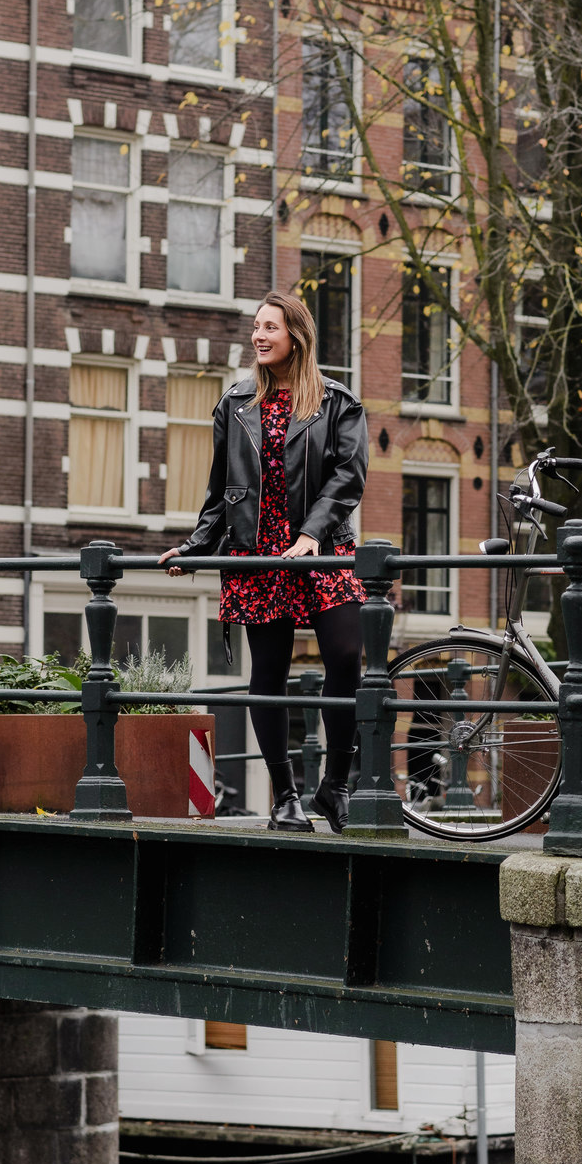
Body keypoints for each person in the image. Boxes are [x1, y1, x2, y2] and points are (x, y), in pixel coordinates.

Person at [159, 292, 368, 834]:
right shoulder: (236, 403)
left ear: (295, 334)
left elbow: (349, 478)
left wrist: (310, 534)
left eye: (270, 327)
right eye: (256, 327)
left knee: (346, 656)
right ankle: (285, 797)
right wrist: (197, 548)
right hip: (256, 552)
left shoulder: (336, 403)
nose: (259, 336)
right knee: (269, 674)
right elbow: (219, 489)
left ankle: (335, 786)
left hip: (319, 548)